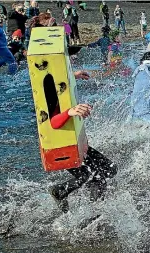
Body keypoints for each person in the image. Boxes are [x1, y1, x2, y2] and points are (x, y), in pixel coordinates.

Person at [48, 71, 118, 213]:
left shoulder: (54, 80)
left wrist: (72, 76)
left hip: (75, 142)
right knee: (94, 177)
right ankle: (95, 213)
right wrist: (69, 112)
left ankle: (63, 191)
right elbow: (51, 123)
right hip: (61, 146)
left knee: (109, 169)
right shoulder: (46, 92)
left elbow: (55, 78)